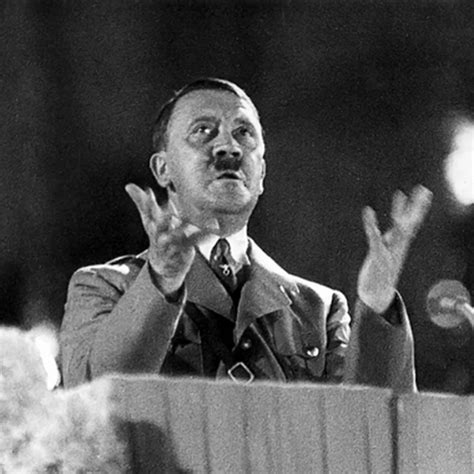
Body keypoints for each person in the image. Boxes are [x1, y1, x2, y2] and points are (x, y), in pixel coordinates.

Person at [59, 78, 432, 391]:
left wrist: (377, 305)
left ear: (262, 174)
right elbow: (92, 402)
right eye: (203, 131)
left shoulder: (318, 311)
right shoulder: (105, 287)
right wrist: (162, 281)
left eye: (243, 133)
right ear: (163, 169)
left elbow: (367, 430)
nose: (228, 147)